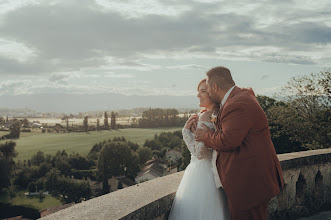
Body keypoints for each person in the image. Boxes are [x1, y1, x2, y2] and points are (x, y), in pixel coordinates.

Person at [195, 66, 284, 220]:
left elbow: (228, 140)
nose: (207, 93)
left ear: (214, 87)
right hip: (249, 179)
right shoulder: (238, 98)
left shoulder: (238, 103)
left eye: (207, 88)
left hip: (249, 183)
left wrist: (205, 135)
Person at [168, 79, 230, 220]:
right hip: (216, 175)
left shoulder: (205, 116)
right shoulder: (220, 113)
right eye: (198, 91)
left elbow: (200, 153)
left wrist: (186, 132)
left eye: (203, 91)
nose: (198, 95)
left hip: (201, 176)